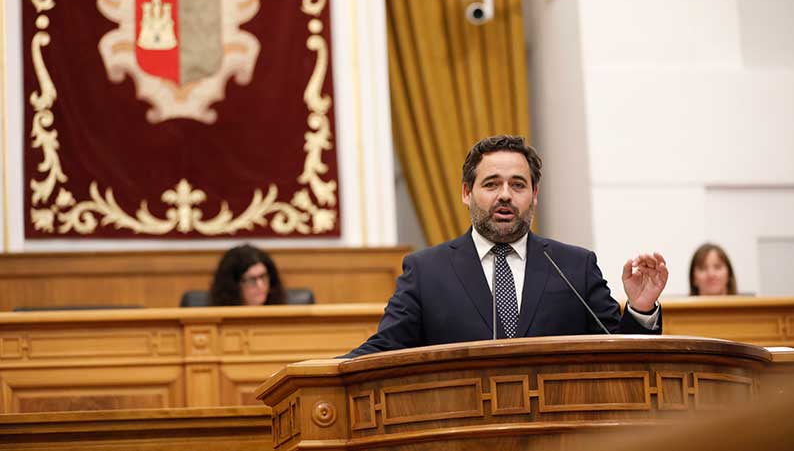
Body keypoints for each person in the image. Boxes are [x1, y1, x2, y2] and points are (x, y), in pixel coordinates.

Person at [343, 135, 668, 358]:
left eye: (517, 184)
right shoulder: (426, 271)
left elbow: (623, 354)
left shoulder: (573, 267)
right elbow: (385, 348)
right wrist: (318, 373)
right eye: (491, 184)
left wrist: (640, 310)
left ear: (534, 194)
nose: (505, 195)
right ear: (467, 193)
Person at [209, 244, 286, 306]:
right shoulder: (216, 318)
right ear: (234, 285)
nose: (260, 285)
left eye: (263, 277)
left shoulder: (283, 315)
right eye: (252, 280)